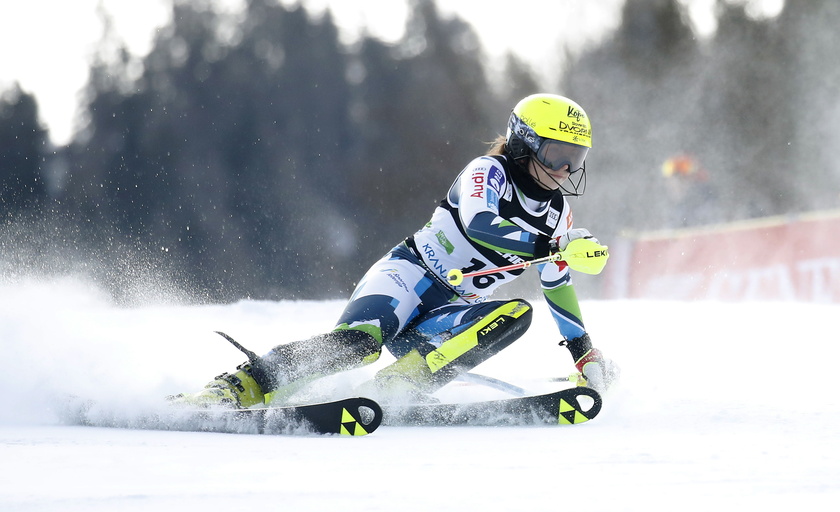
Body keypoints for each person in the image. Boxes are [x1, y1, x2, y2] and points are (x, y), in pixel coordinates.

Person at [170, 93, 619, 408]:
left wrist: (584, 352)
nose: (565, 170)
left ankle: (399, 387)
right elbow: (479, 225)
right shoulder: (488, 171)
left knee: (517, 313)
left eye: (575, 159)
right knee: (358, 345)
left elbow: (556, 282)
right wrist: (553, 245)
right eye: (558, 154)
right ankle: (240, 385)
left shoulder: (558, 214)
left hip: (449, 310)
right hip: (408, 277)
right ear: (524, 144)